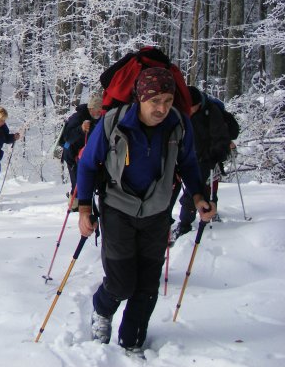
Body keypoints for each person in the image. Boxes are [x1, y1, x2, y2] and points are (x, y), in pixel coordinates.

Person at [76, 67, 216, 357]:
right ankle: (102, 311)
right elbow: (88, 164)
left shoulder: (178, 124)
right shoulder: (113, 123)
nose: (162, 108)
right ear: (140, 98)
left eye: (167, 100)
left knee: (148, 283)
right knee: (121, 281)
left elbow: (188, 163)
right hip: (117, 208)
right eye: (155, 101)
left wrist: (200, 195)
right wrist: (85, 208)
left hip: (157, 210)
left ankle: (133, 340)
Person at [169, 85, 231, 243]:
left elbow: (221, 139)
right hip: (186, 158)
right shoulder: (181, 113)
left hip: (206, 159)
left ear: (199, 104)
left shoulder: (211, 113)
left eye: (192, 107)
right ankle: (197, 217)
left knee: (195, 192)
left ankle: (185, 224)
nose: (189, 110)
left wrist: (212, 157)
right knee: (197, 190)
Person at [60, 92, 102, 210]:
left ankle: (82, 201)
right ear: (90, 108)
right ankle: (74, 205)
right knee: (77, 180)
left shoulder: (99, 118)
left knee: (87, 178)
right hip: (71, 153)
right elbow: (67, 137)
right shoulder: (78, 117)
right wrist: (81, 129)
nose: (99, 113)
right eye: (97, 110)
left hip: (86, 153)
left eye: (101, 110)